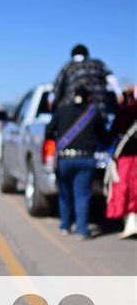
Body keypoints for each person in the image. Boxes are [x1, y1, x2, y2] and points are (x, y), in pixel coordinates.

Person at [45, 85, 107, 239]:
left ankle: (65, 226)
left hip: (65, 159)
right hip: (86, 159)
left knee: (65, 194)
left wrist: (60, 140)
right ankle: (81, 230)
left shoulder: (62, 110)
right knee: (82, 195)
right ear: (89, 98)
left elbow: (48, 132)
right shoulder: (94, 113)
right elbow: (104, 137)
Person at [51, 44, 120, 115]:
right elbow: (111, 78)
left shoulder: (67, 67)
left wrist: (50, 101)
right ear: (87, 54)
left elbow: (56, 87)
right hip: (98, 111)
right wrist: (119, 93)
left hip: (75, 114)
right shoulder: (97, 64)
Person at [105, 87, 137, 238]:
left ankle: (130, 224)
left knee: (124, 189)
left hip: (125, 158)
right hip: (128, 158)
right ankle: (131, 223)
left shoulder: (124, 114)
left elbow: (111, 134)